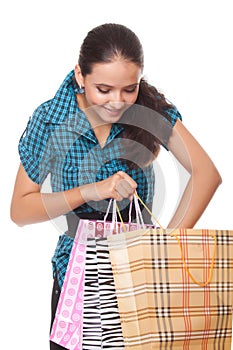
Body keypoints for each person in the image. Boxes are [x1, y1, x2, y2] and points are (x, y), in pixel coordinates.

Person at [10, 23, 221, 349]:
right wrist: (90, 191)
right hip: (76, 281)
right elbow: (21, 209)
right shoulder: (51, 119)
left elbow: (206, 174)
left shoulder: (148, 110)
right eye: (104, 89)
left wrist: (164, 248)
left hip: (140, 281)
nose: (117, 102)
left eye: (129, 89)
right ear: (80, 75)